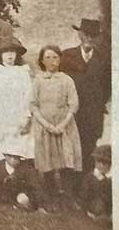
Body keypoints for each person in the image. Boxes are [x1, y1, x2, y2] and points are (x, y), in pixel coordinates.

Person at [30, 44, 82, 203]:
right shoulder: (38, 80)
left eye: (55, 57)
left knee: (67, 161)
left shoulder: (67, 80)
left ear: (60, 59)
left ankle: (67, 197)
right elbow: (33, 105)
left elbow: (74, 105)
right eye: (47, 57)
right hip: (44, 127)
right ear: (42, 61)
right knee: (47, 162)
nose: (52, 61)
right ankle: (50, 197)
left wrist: (62, 125)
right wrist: (46, 125)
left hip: (65, 127)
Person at [59, 18, 110, 172]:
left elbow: (107, 87)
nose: (89, 39)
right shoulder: (67, 55)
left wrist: (97, 104)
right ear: (80, 35)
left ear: (97, 38)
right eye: (86, 35)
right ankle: (68, 191)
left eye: (93, 36)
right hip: (71, 115)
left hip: (93, 116)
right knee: (69, 152)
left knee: (88, 152)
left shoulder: (104, 59)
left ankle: (84, 190)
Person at [0, 37, 32, 163]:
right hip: (0, 114)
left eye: (13, 52)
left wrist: (27, 116)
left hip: (18, 113)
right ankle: (0, 173)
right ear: (0, 55)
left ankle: (17, 174)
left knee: (18, 144)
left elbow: (29, 95)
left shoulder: (22, 72)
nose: (10, 55)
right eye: (6, 52)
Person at [0, 138, 46, 212]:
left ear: (21, 157)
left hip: (19, 193)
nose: (13, 160)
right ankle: (10, 203)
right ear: (5, 155)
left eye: (16, 157)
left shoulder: (26, 168)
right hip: (1, 192)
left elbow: (36, 186)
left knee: (22, 199)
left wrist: (40, 206)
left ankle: (21, 205)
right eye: (10, 156)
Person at [81, 145, 112, 219]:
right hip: (94, 206)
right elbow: (84, 195)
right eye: (98, 162)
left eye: (106, 163)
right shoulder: (90, 177)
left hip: (107, 208)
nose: (101, 165)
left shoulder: (110, 178)